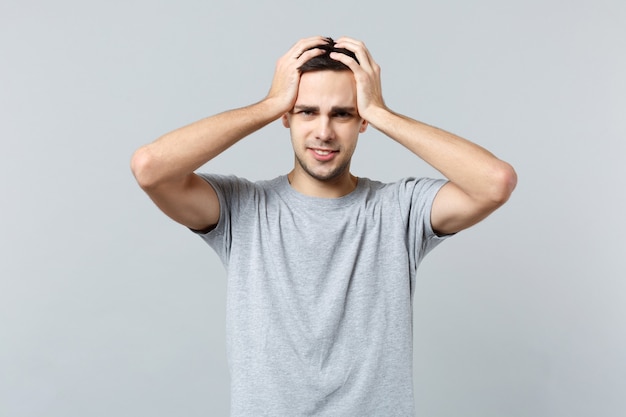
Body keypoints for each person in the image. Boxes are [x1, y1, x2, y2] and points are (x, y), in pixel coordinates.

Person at [131, 36, 517, 417]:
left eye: (343, 113)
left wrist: (381, 112)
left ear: (361, 121)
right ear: (286, 117)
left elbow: (494, 182)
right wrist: (267, 104)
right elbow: (151, 168)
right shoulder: (242, 208)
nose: (324, 132)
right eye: (306, 111)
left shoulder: (399, 210)